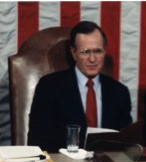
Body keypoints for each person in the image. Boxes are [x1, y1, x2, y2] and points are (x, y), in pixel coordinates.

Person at [28, 21, 132, 152]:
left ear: (104, 52)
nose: (92, 59)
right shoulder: (49, 87)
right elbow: (38, 141)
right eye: (85, 52)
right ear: (74, 53)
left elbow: (127, 143)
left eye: (98, 51)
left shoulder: (119, 92)